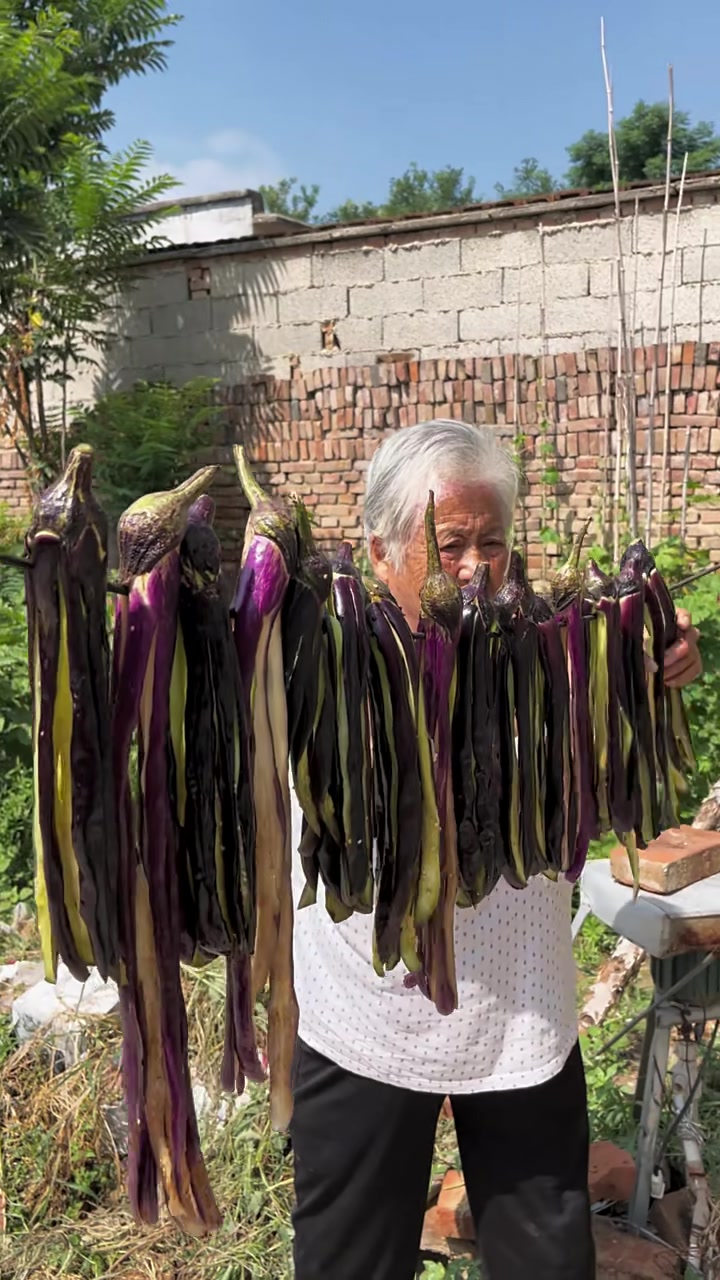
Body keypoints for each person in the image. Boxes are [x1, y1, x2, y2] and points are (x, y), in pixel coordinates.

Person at [288, 419, 702, 1280]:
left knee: (547, 1256)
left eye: (494, 543)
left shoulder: (549, 649)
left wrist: (650, 665)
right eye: (449, 544)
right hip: (366, 1008)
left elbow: (611, 735)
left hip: (519, 1007)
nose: (475, 567)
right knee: (348, 1257)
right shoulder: (319, 653)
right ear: (380, 550)